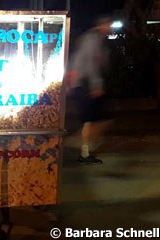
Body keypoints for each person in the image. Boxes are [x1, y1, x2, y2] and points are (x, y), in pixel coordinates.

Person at [70, 16, 113, 164]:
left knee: (93, 120)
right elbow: (89, 64)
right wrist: (96, 85)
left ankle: (84, 149)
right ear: (102, 25)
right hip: (84, 83)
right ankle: (82, 147)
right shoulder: (92, 39)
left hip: (83, 83)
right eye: (108, 24)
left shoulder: (96, 39)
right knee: (93, 120)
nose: (110, 28)